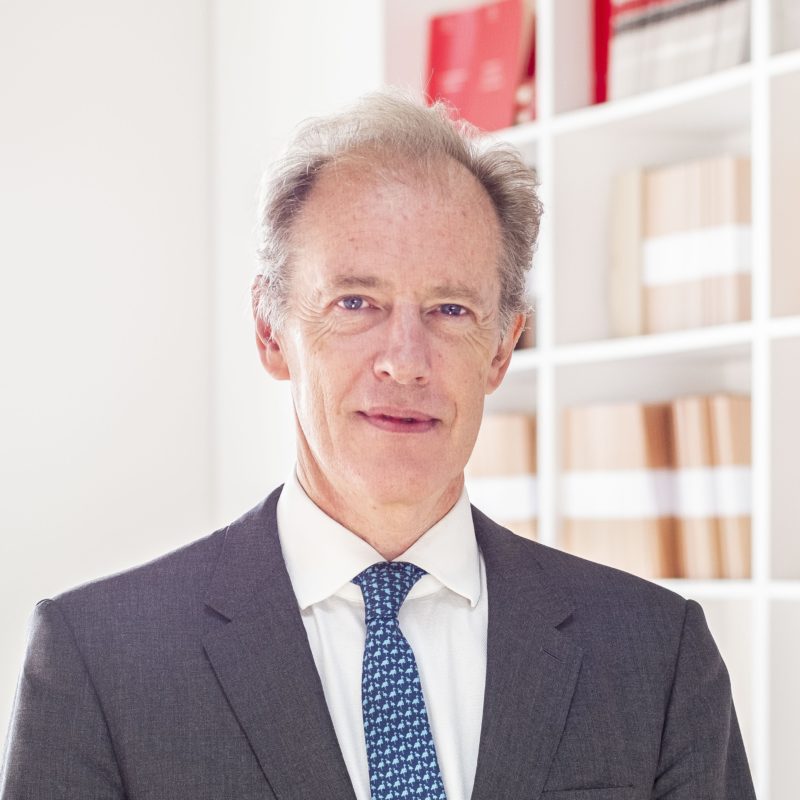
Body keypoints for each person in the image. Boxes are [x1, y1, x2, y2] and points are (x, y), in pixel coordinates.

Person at [0, 92, 755, 800]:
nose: (404, 360)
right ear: (270, 330)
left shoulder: (657, 656)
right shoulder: (100, 663)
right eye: (356, 303)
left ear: (502, 349)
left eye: (450, 309)